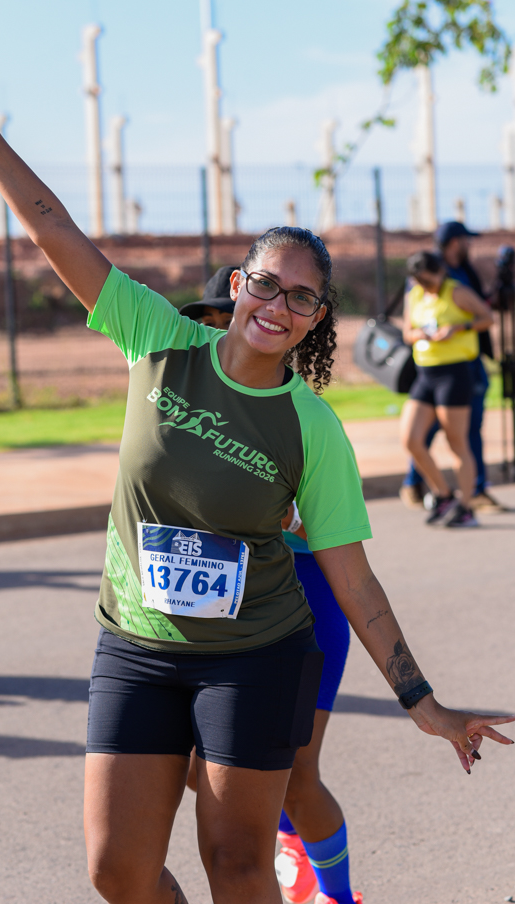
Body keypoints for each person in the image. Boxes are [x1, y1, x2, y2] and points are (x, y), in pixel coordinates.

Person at [0, 8, 515, 904]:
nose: (278, 305)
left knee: (238, 866)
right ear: (239, 286)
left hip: (253, 657)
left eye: (301, 298)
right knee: (117, 871)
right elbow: (50, 225)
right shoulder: (157, 339)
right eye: (267, 284)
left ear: (315, 319)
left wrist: (421, 701)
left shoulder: (310, 426)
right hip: (137, 644)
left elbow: (353, 580)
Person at [185, 278, 361, 904]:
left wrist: (283, 513)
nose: (214, 336)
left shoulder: (297, 415)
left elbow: (331, 529)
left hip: (304, 606)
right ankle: (289, 843)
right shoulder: (185, 409)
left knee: (297, 774)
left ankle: (339, 896)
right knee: (198, 769)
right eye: (205, 326)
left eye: (218, 321)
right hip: (223, 613)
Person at [400, 221, 503, 514]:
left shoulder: (457, 287)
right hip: (426, 373)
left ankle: (467, 504)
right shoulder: (416, 292)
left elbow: (486, 317)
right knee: (412, 439)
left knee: (459, 439)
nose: (424, 286)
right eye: (420, 281)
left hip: (456, 371)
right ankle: (442, 494)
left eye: (428, 281)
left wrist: (458, 328)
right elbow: (407, 332)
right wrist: (421, 334)